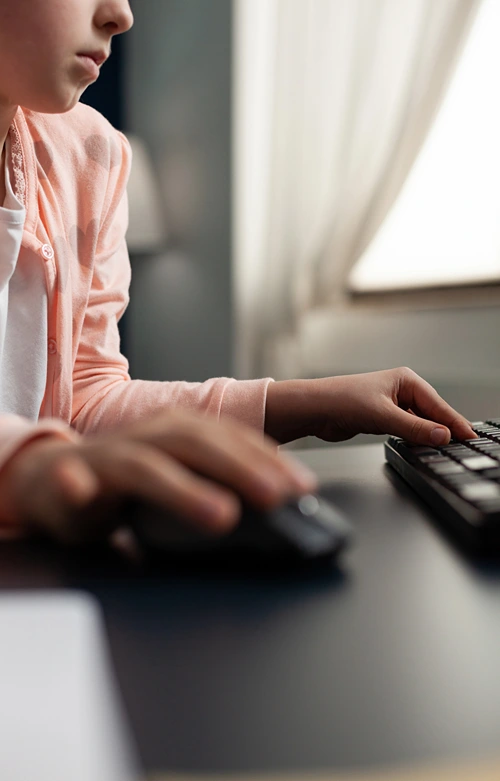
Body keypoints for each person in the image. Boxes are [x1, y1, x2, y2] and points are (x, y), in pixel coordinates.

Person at [0, 0, 476, 544]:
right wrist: (29, 468)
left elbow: (83, 399)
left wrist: (308, 404)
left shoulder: (90, 154)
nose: (121, 15)